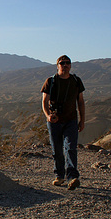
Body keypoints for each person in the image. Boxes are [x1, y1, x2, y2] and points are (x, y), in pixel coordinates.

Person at [41, 55, 86, 190]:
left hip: (71, 120)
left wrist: (82, 120)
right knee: (57, 149)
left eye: (67, 63)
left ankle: (72, 177)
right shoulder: (51, 81)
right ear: (57, 65)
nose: (65, 65)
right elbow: (44, 101)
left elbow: (81, 101)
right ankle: (59, 175)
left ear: (70, 66)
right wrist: (48, 115)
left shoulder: (76, 81)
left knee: (71, 147)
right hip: (55, 121)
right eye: (62, 63)